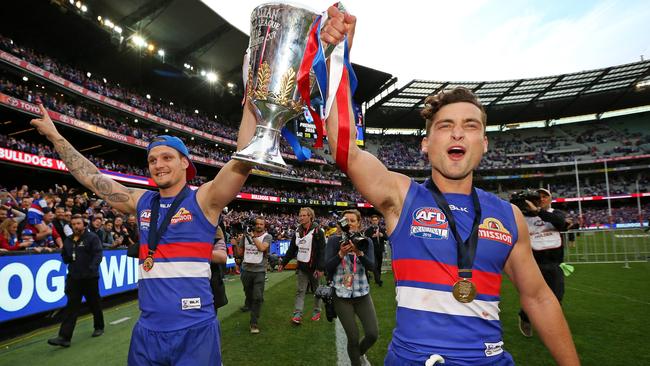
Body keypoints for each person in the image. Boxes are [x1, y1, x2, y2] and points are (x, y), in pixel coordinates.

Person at [320, 7, 579, 365]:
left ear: (484, 143)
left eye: (471, 126)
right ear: (425, 143)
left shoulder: (509, 216)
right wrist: (336, 58)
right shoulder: (401, 196)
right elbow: (344, 149)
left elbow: (538, 298)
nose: (458, 132)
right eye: (445, 126)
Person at [31, 97, 256, 364]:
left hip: (195, 331)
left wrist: (251, 102)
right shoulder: (141, 201)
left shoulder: (204, 199)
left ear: (185, 163)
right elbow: (93, 178)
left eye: (166, 157)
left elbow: (243, 159)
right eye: (152, 160)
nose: (158, 164)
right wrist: (56, 137)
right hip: (147, 333)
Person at [325, 209, 378, 366]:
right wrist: (340, 254)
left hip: (362, 294)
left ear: (358, 223)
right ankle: (356, 361)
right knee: (353, 337)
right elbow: (327, 266)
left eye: (352, 220)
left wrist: (359, 252)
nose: (349, 223)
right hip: (342, 296)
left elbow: (372, 267)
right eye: (346, 220)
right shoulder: (334, 241)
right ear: (341, 224)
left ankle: (357, 353)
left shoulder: (365, 241)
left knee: (372, 334)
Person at [47, 215, 104, 347]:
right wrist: (66, 257)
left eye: (78, 223)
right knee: (71, 307)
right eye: (73, 224)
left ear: (84, 224)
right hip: (74, 278)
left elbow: (98, 254)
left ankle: (99, 326)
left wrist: (92, 268)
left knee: (94, 303)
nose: (76, 226)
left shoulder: (92, 238)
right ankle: (64, 337)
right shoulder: (68, 240)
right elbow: (65, 256)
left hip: (90, 277)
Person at [518, 188, 568, 338]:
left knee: (557, 296)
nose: (542, 198)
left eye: (545, 196)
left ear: (550, 199)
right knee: (533, 296)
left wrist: (539, 211)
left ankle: (549, 325)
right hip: (534, 263)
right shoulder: (524, 217)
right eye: (539, 196)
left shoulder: (556, 213)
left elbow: (561, 223)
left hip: (554, 263)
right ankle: (525, 317)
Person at [278, 207, 326, 324]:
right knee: (300, 291)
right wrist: (283, 263)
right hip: (302, 268)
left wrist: (320, 268)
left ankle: (317, 310)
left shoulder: (318, 232)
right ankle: (297, 313)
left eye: (304, 215)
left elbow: (322, 252)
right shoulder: (297, 232)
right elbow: (291, 250)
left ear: (310, 216)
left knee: (317, 290)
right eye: (300, 215)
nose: (302, 217)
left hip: (314, 268)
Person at [235, 216, 272, 334]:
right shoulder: (245, 236)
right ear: (254, 225)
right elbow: (240, 253)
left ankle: (254, 323)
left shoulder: (267, 237)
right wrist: (235, 243)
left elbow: (262, 248)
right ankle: (249, 304)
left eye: (261, 224)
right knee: (249, 294)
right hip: (246, 270)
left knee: (257, 297)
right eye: (257, 224)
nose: (259, 226)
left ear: (264, 226)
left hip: (259, 271)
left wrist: (253, 237)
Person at [363, 214, 387, 286]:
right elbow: (365, 239)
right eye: (373, 220)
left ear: (378, 221)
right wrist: (372, 237)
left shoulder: (382, 229)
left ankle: (378, 279)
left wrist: (382, 235)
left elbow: (387, 238)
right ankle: (378, 280)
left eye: (376, 220)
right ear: (371, 221)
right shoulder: (368, 230)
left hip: (380, 249)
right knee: (375, 265)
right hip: (371, 250)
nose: (374, 222)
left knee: (379, 265)